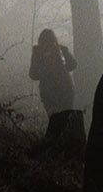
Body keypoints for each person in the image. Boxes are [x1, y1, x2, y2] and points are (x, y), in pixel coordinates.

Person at [28, 28, 85, 158]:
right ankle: (55, 150)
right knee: (62, 119)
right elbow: (73, 65)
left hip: (50, 91)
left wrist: (47, 69)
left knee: (56, 118)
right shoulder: (59, 49)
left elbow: (32, 74)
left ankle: (51, 149)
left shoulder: (39, 52)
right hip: (64, 89)